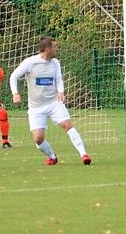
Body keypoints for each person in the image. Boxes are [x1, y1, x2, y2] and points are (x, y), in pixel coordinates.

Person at [10, 37, 91, 165]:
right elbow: (13, 76)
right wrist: (15, 93)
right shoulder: (30, 62)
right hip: (36, 107)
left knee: (67, 125)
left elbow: (59, 79)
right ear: (47, 48)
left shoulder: (55, 63)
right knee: (38, 138)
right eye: (55, 47)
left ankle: (84, 154)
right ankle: (52, 157)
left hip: (53, 103)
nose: (57, 49)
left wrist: (61, 91)